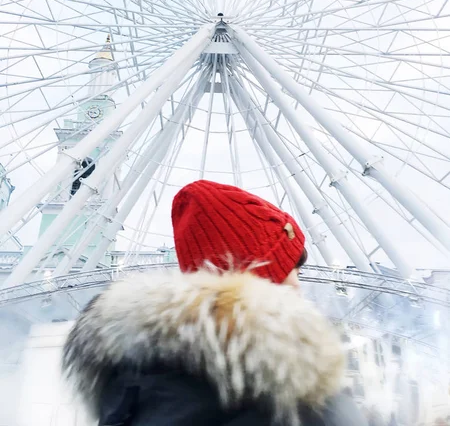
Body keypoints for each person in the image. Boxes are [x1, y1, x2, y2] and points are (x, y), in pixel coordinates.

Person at [63, 180, 368, 426]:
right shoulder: (295, 394)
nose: (298, 286)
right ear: (257, 279)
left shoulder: (131, 388)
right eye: (291, 269)